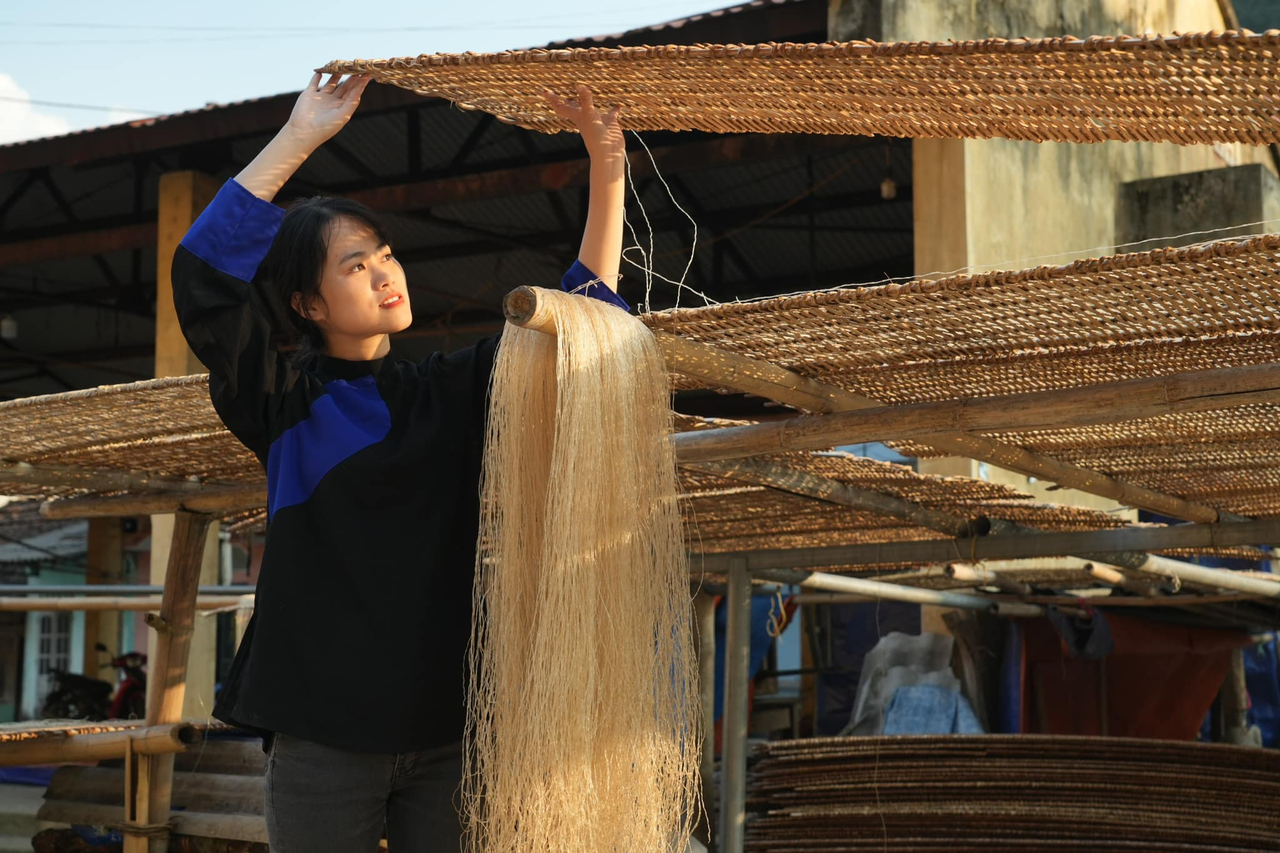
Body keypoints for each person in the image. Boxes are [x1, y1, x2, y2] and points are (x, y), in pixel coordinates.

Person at [173, 72, 628, 851]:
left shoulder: (450, 389)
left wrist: (607, 163)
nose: (386, 273)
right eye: (355, 265)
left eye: (384, 254)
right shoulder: (283, 401)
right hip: (321, 734)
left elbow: (583, 322)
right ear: (308, 305)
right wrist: (301, 135)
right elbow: (203, 272)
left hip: (449, 732)